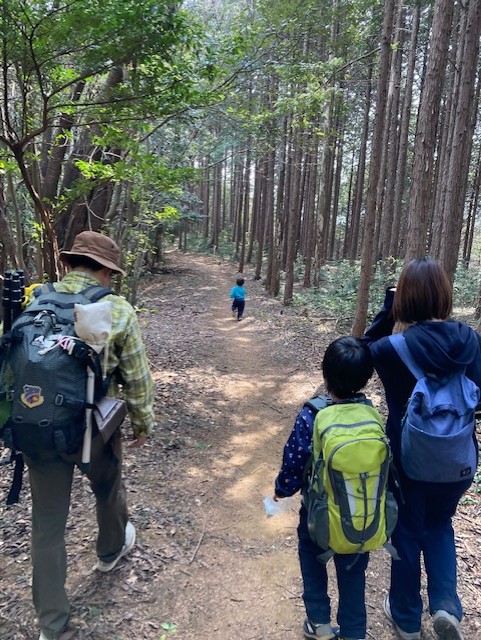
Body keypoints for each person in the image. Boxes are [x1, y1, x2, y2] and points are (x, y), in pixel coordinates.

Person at [24, 231, 155, 640]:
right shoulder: (117, 309)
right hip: (94, 426)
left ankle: (51, 623)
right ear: (103, 270)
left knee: (47, 523)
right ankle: (110, 551)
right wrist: (141, 422)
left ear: (71, 263)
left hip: (38, 426)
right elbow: (135, 376)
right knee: (108, 486)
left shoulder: (35, 301)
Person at [364, 258, 481, 640]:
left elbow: (354, 358)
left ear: (404, 301)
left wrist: (385, 313)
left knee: (407, 534)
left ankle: (407, 618)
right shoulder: (471, 341)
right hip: (457, 461)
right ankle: (446, 605)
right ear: (445, 296)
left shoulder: (391, 348)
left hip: (407, 462)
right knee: (440, 525)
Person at [273, 336, 375, 640]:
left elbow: (295, 460)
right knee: (353, 574)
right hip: (360, 515)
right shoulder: (371, 415)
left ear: (324, 373)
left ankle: (319, 624)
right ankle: (354, 632)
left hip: (318, 514)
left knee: (311, 558)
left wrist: (282, 489)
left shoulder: (312, 415)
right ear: (366, 379)